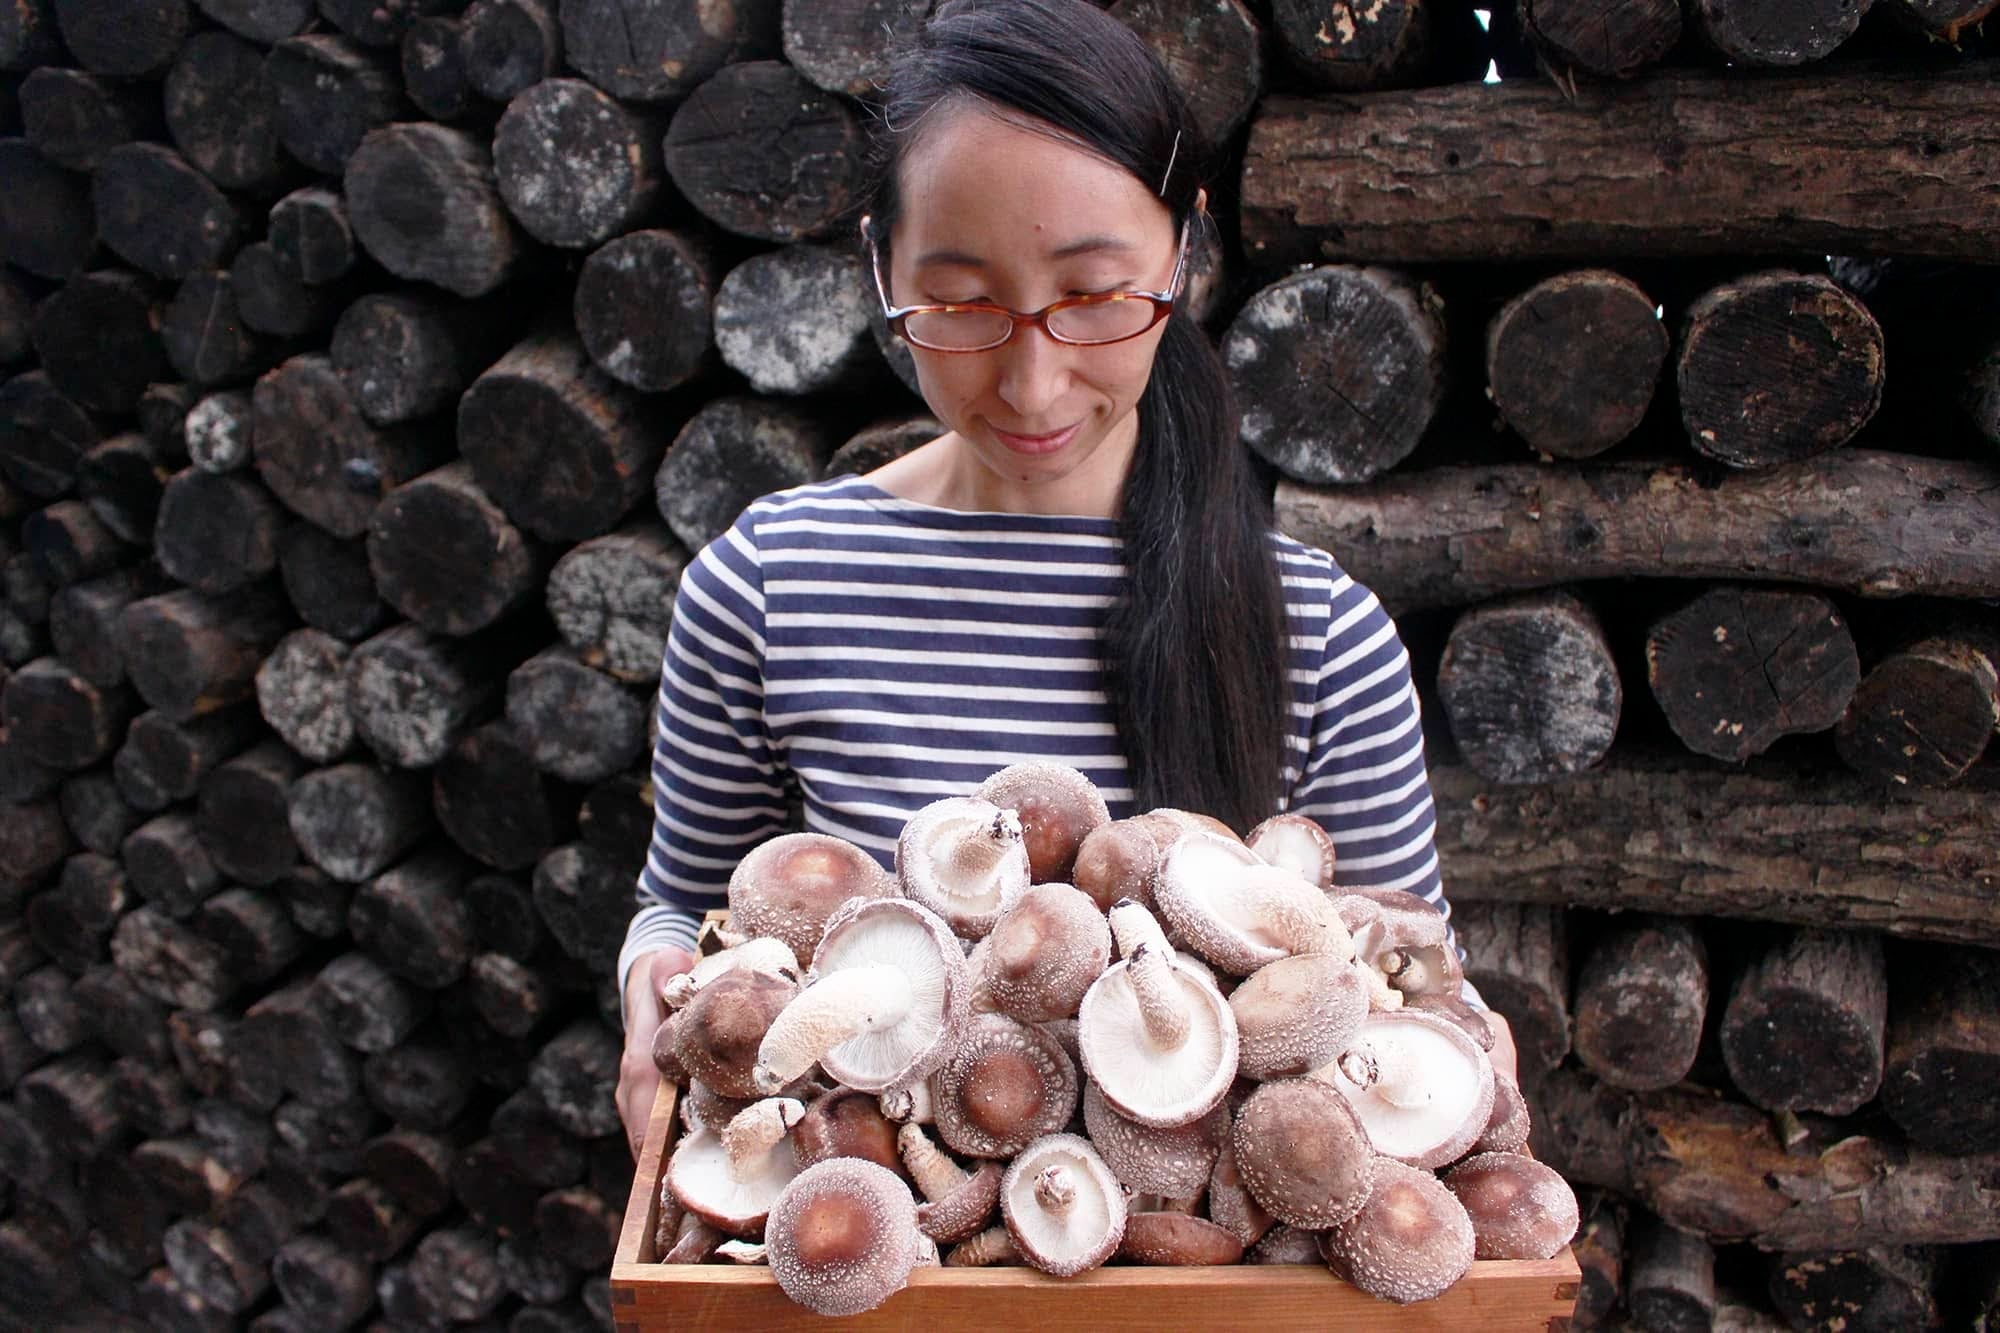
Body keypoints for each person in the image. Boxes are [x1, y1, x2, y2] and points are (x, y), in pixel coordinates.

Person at [615, 0, 1510, 1157]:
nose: (1032, 384)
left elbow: (1399, 970)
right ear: (880, 264)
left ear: (1181, 254)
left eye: (1093, 297)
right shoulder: (768, 588)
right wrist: (653, 981)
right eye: (960, 304)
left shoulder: (1319, 633)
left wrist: (1460, 1033)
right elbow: (689, 903)